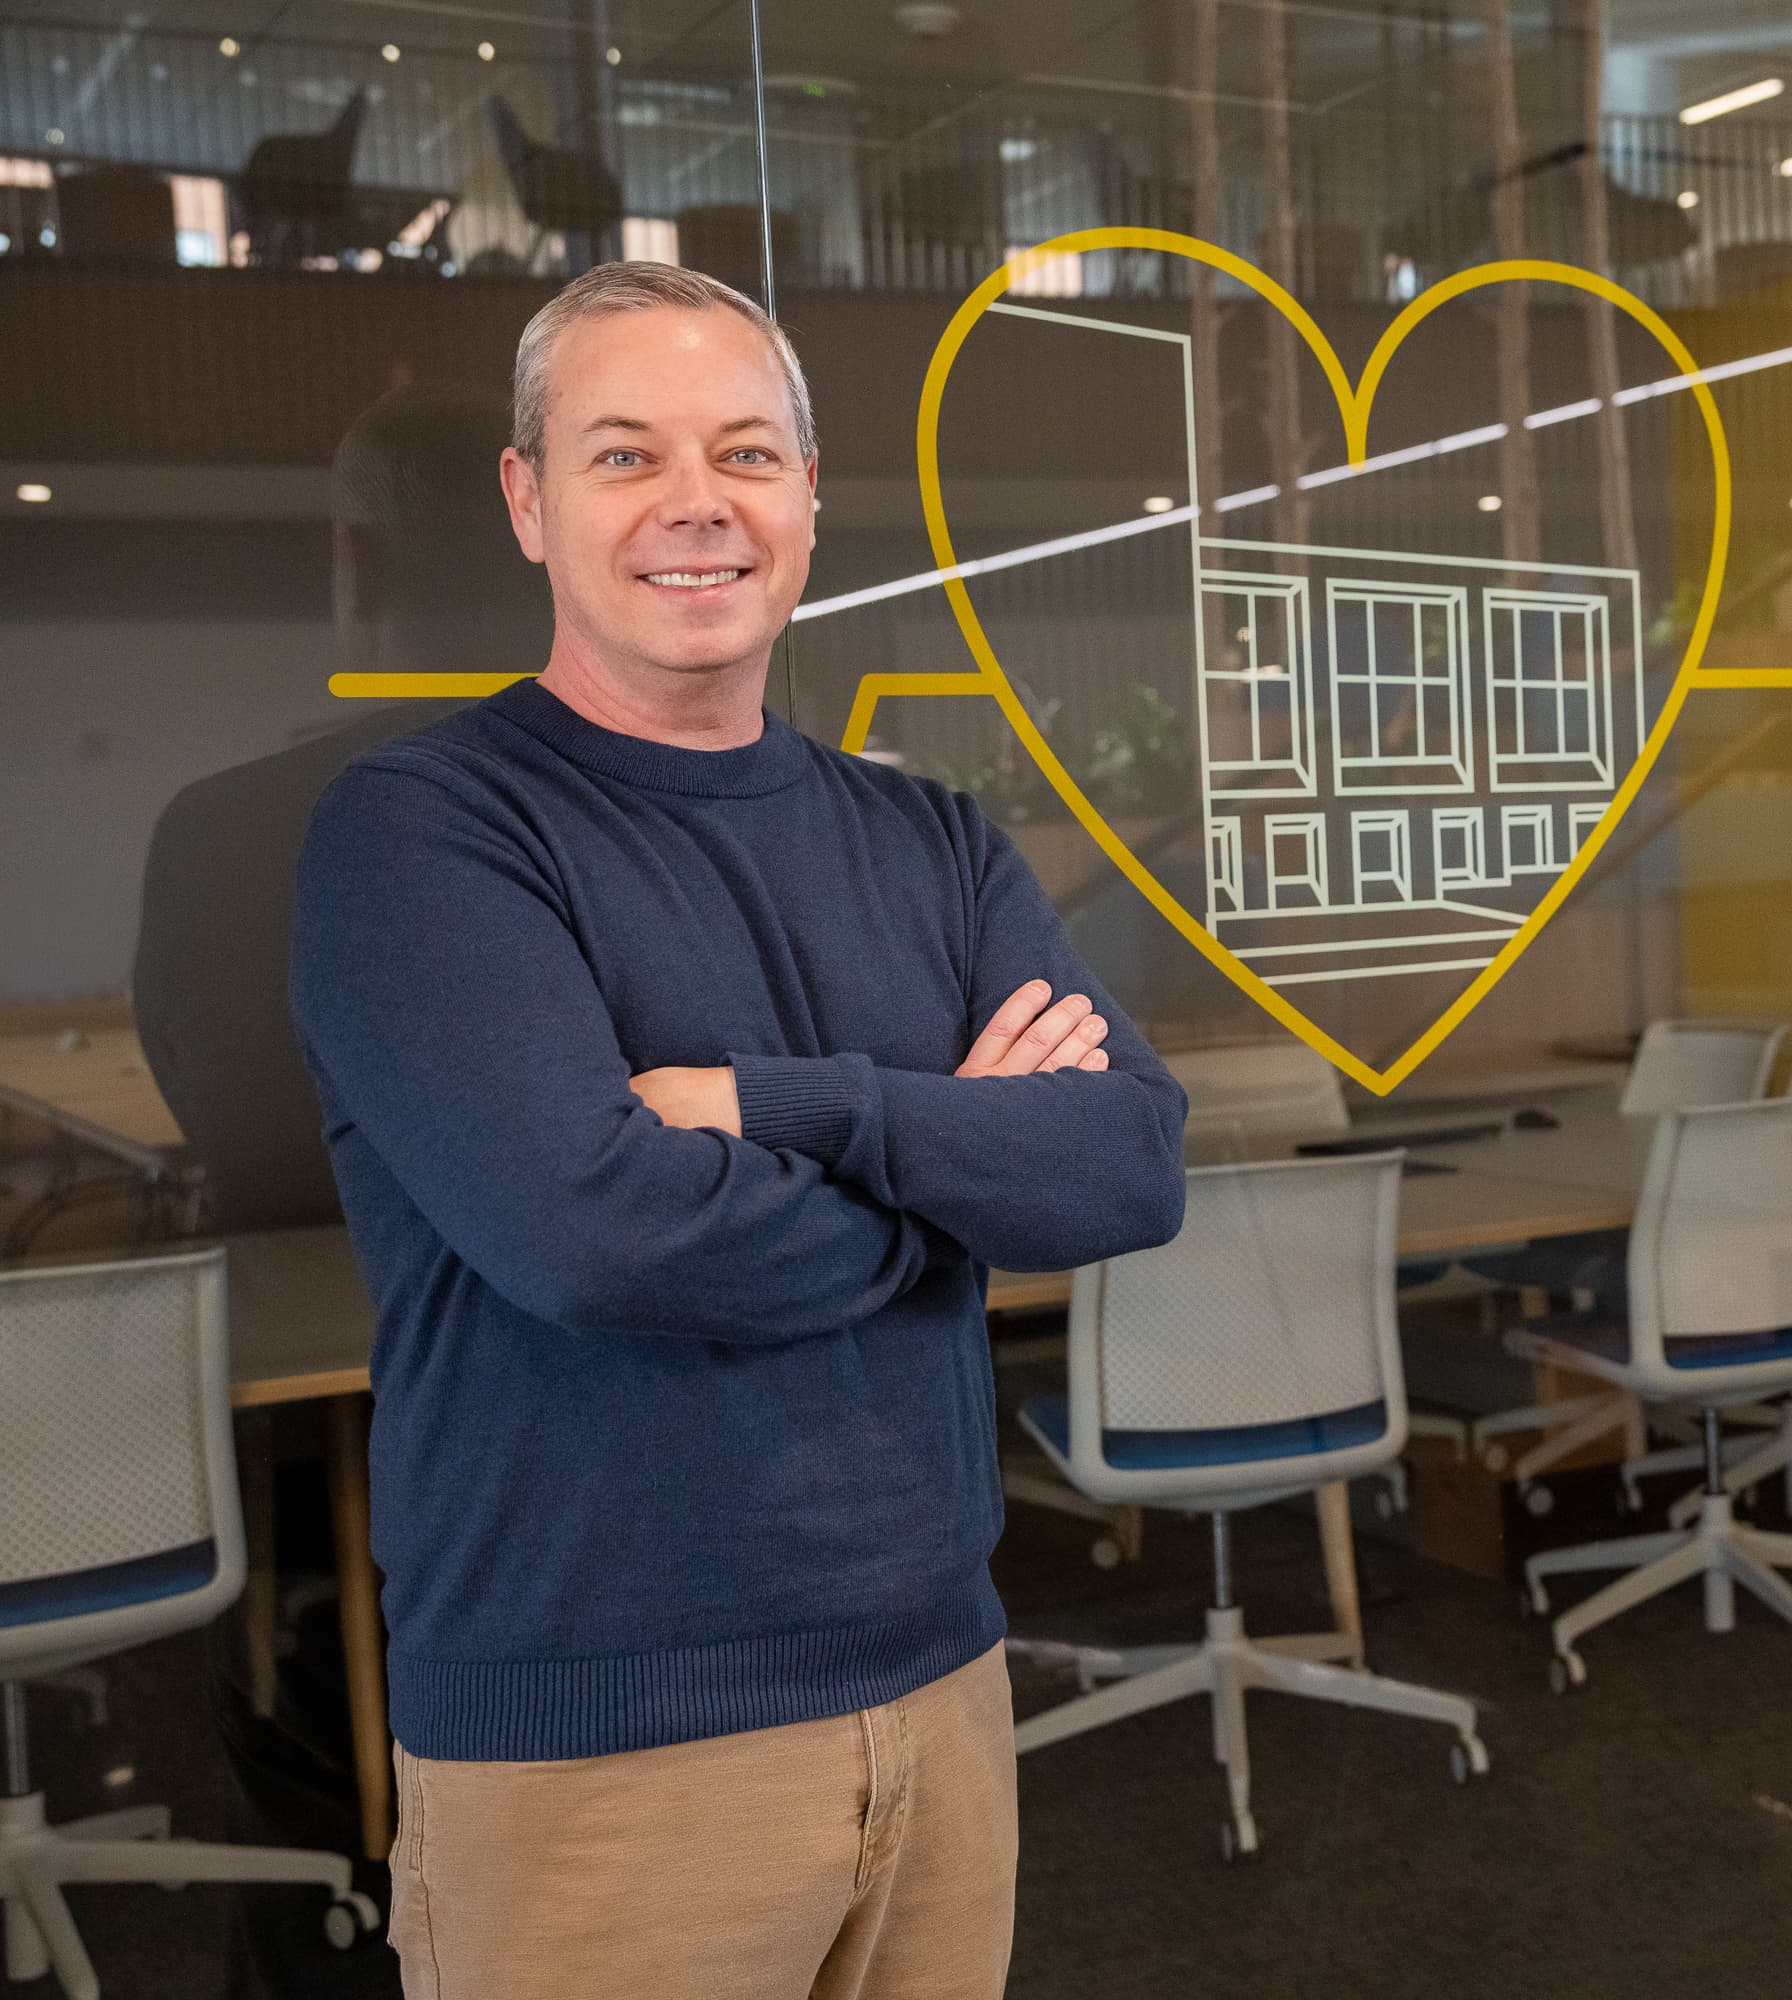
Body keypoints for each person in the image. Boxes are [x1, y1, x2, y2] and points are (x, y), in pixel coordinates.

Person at [289, 261, 1189, 1999]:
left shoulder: (933, 839)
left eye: (746, 454)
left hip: (941, 1693)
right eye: (625, 456)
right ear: (528, 501)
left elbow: (1128, 1163)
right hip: (603, 1750)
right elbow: (601, 1234)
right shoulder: (420, 838)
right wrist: (953, 1162)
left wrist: (789, 1109)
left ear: (807, 499)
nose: (696, 504)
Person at [136, 382, 544, 1233]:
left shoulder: (218, 840)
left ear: (355, 566)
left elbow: (232, 1131)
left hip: (302, 1341)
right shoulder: (653, 810)